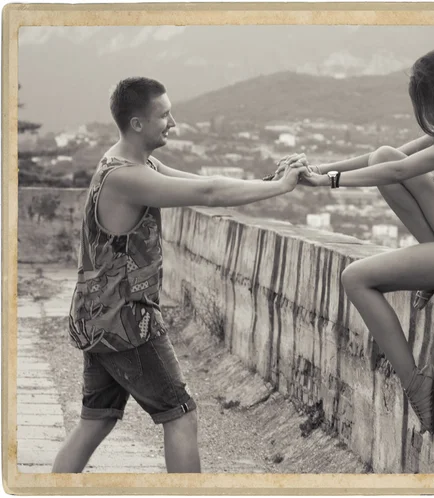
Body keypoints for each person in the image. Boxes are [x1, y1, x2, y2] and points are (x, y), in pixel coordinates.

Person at [53, 77, 306, 473]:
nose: (173, 123)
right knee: (181, 414)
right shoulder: (126, 177)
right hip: (125, 322)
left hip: (97, 316)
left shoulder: (134, 163)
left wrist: (270, 182)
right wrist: (282, 190)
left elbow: (202, 184)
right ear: (137, 124)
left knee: (96, 419)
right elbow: (208, 196)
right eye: (164, 115)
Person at [273, 50, 434, 434]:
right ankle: (431, 275)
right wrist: (319, 168)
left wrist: (330, 183)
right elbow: (389, 158)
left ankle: (414, 383)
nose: (426, 114)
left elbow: (403, 170)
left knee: (355, 278)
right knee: (383, 154)